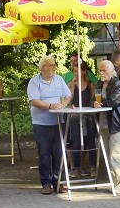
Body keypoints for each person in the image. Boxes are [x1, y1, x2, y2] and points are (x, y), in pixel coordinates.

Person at [28, 55, 72, 195]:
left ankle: (59, 182)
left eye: (54, 65)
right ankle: (46, 182)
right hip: (41, 124)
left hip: (58, 121)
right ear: (42, 68)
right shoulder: (34, 82)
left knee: (59, 153)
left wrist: (63, 105)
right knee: (44, 154)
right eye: (50, 65)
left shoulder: (58, 79)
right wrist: (50, 106)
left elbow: (68, 95)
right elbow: (34, 100)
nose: (54, 67)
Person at [94, 60, 120, 194]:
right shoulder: (99, 83)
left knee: (115, 155)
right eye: (100, 70)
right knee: (107, 155)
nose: (101, 73)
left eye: (104, 70)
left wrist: (100, 103)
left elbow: (115, 101)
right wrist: (94, 103)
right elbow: (94, 98)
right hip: (103, 124)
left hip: (116, 124)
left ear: (111, 71)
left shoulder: (117, 84)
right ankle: (113, 181)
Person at [66, 62, 96, 176]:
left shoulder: (90, 85)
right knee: (76, 142)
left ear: (83, 72)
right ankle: (77, 167)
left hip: (88, 116)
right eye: (74, 71)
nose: (76, 74)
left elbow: (93, 99)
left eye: (78, 71)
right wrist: (73, 86)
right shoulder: (72, 84)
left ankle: (92, 166)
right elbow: (70, 97)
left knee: (91, 141)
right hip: (76, 116)